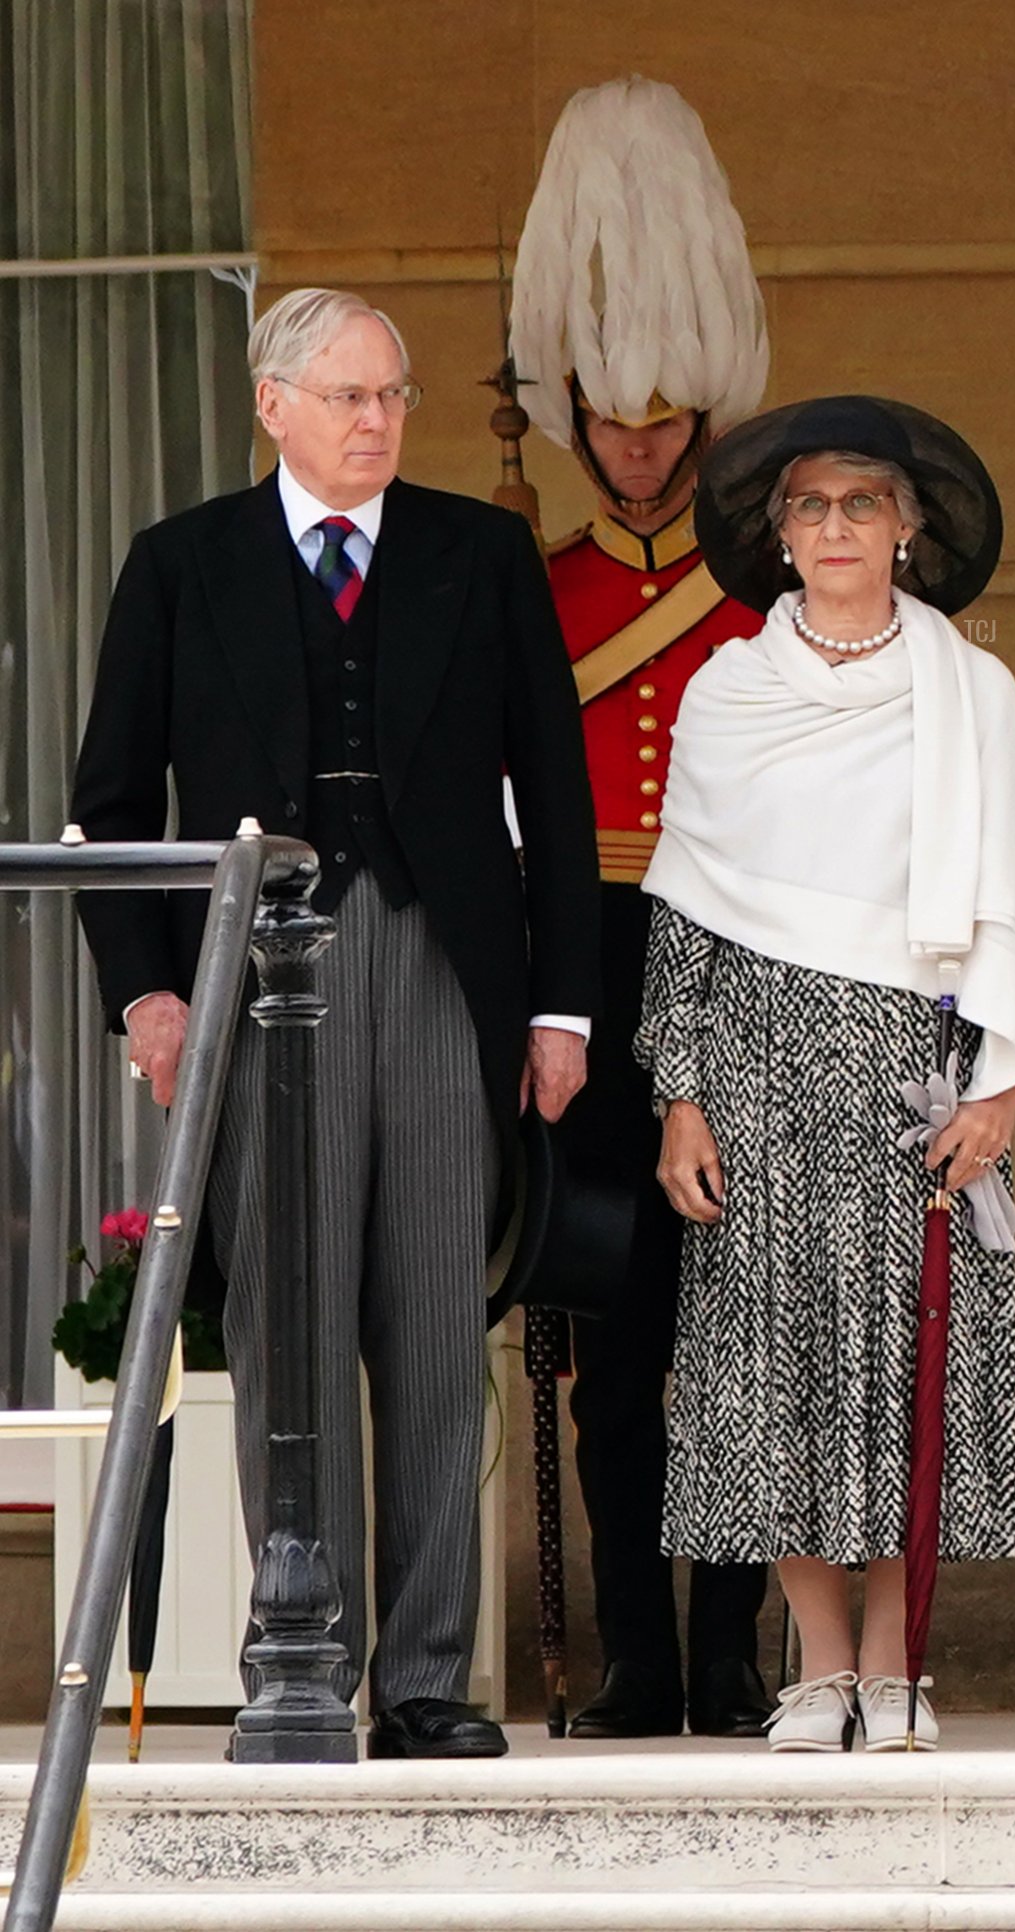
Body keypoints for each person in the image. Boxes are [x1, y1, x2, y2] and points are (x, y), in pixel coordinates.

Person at [70, 287, 600, 1760]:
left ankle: (430, 1678)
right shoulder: (180, 564)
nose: (378, 422)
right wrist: (151, 988)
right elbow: (112, 808)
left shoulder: (481, 553)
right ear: (274, 405)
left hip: (441, 961)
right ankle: (297, 1657)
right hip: (255, 973)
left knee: (435, 1319)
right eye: (350, 397)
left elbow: (552, 787)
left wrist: (559, 1004)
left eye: (395, 397)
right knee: (286, 1323)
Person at [634, 394, 1015, 1752]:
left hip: (914, 1072)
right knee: (767, 1369)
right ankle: (819, 1663)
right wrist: (679, 1096)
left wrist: (1001, 1086)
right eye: (810, 506)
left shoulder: (973, 691)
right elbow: (686, 907)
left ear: (909, 529)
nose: (836, 528)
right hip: (756, 1067)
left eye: (863, 504)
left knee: (902, 1363)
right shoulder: (727, 690)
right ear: (779, 536)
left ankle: (897, 1660)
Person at [507, 77, 773, 1739]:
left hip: (740, 955)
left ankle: (735, 1652)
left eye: (668, 416)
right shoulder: (535, 590)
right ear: (576, 415)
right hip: (589, 970)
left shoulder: (769, 590)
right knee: (611, 1332)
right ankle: (633, 1655)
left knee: (737, 1338)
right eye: (614, 417)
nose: (643, 441)